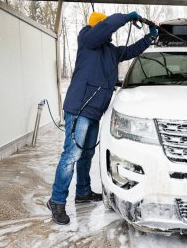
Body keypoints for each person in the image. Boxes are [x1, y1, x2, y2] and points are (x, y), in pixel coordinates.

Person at [47, 11, 158, 225]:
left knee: (86, 154)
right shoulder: (87, 39)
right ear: (98, 27)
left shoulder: (111, 52)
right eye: (104, 27)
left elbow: (132, 50)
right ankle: (57, 200)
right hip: (79, 108)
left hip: (94, 112)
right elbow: (107, 26)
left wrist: (149, 37)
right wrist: (127, 17)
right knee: (71, 155)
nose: (108, 32)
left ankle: (83, 192)